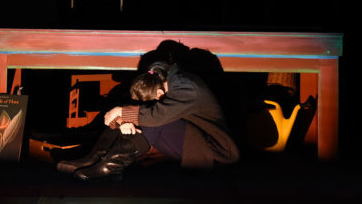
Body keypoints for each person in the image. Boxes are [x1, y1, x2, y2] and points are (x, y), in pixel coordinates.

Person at [56, 61, 239, 181]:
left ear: (159, 92)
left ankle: (110, 168)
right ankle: (93, 159)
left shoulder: (188, 89)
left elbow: (155, 115)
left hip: (213, 153)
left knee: (154, 118)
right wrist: (122, 120)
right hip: (191, 143)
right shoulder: (166, 81)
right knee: (139, 113)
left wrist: (124, 113)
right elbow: (141, 110)